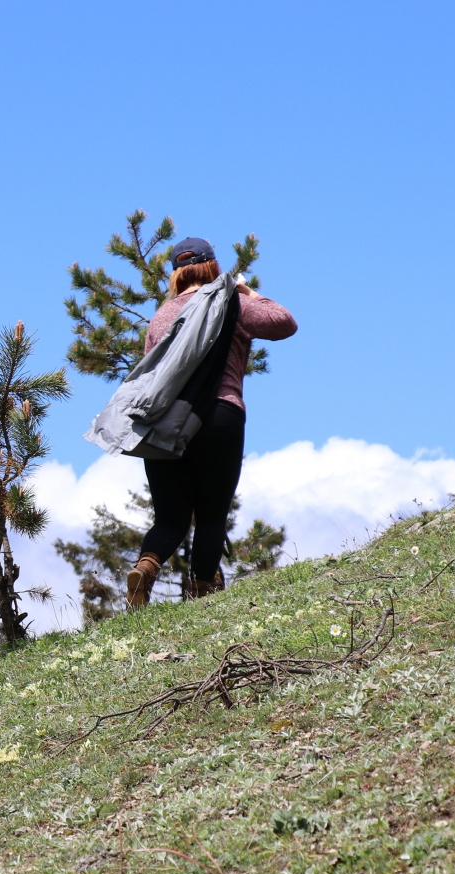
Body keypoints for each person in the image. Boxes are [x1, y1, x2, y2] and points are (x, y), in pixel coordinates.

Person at [125, 237, 297, 606]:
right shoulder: (229, 300)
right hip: (220, 415)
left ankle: (146, 566)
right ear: (213, 267)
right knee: (211, 514)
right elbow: (284, 323)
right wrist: (247, 292)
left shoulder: (161, 316)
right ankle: (203, 593)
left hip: (165, 420)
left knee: (169, 518)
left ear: (177, 274)